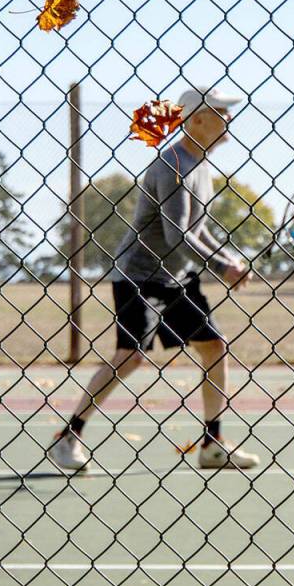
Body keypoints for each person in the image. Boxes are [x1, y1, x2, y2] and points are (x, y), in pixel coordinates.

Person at [49, 86, 260, 472]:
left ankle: (212, 444)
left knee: (214, 347)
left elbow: (199, 229)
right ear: (197, 120)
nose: (229, 118)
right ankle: (68, 436)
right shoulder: (172, 165)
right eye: (221, 111)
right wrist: (221, 268)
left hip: (176, 277)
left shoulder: (200, 166)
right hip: (139, 276)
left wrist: (230, 258)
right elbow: (177, 234)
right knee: (130, 357)